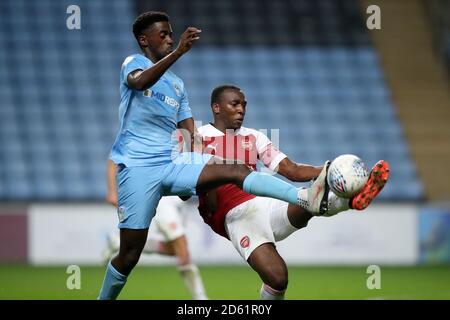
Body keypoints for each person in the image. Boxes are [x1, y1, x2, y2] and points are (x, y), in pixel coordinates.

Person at [98, 11, 369, 300]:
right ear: (144, 40)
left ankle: (311, 197)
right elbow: (140, 83)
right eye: (162, 34)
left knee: (237, 169)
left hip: (172, 162)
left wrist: (195, 157)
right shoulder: (133, 63)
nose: (169, 38)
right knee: (129, 255)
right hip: (138, 169)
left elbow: (186, 125)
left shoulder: (177, 85)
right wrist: (179, 52)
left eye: (171, 34)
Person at [195, 84, 390, 300]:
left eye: (244, 104)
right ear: (216, 107)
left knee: (309, 201)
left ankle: (351, 200)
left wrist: (329, 169)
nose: (241, 109)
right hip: (237, 214)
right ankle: (345, 201)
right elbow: (186, 187)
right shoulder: (197, 137)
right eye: (235, 104)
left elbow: (293, 170)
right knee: (278, 278)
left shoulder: (254, 137)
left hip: (264, 202)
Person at [104, 160, 208, 300]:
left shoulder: (185, 139)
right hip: (163, 198)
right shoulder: (142, 139)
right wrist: (112, 191)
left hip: (179, 199)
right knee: (182, 248)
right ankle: (201, 298)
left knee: (174, 249)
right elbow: (113, 158)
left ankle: (118, 242)